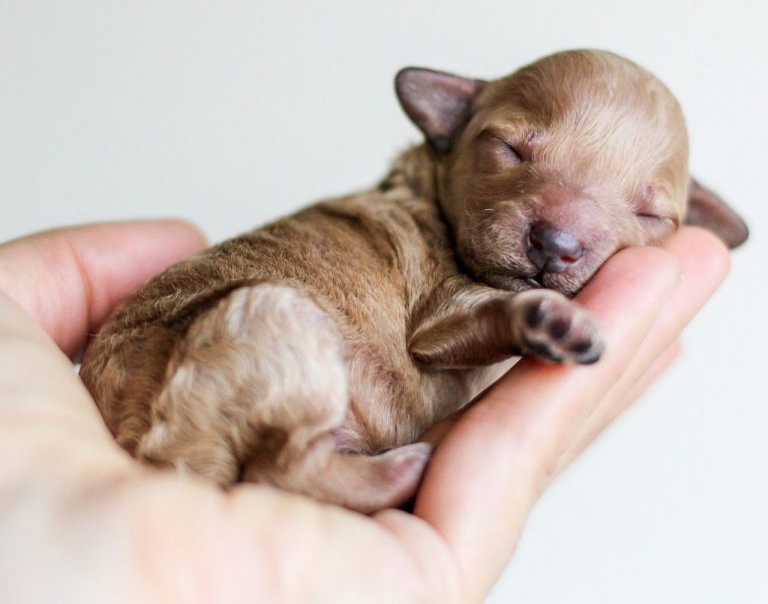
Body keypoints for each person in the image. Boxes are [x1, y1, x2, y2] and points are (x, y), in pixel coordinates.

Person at [0, 220, 729, 603]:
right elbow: (439, 332)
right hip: (222, 377)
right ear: (451, 121)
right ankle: (309, 466)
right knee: (279, 326)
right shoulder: (419, 233)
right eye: (514, 151)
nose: (563, 232)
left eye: (642, 210)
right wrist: (511, 319)